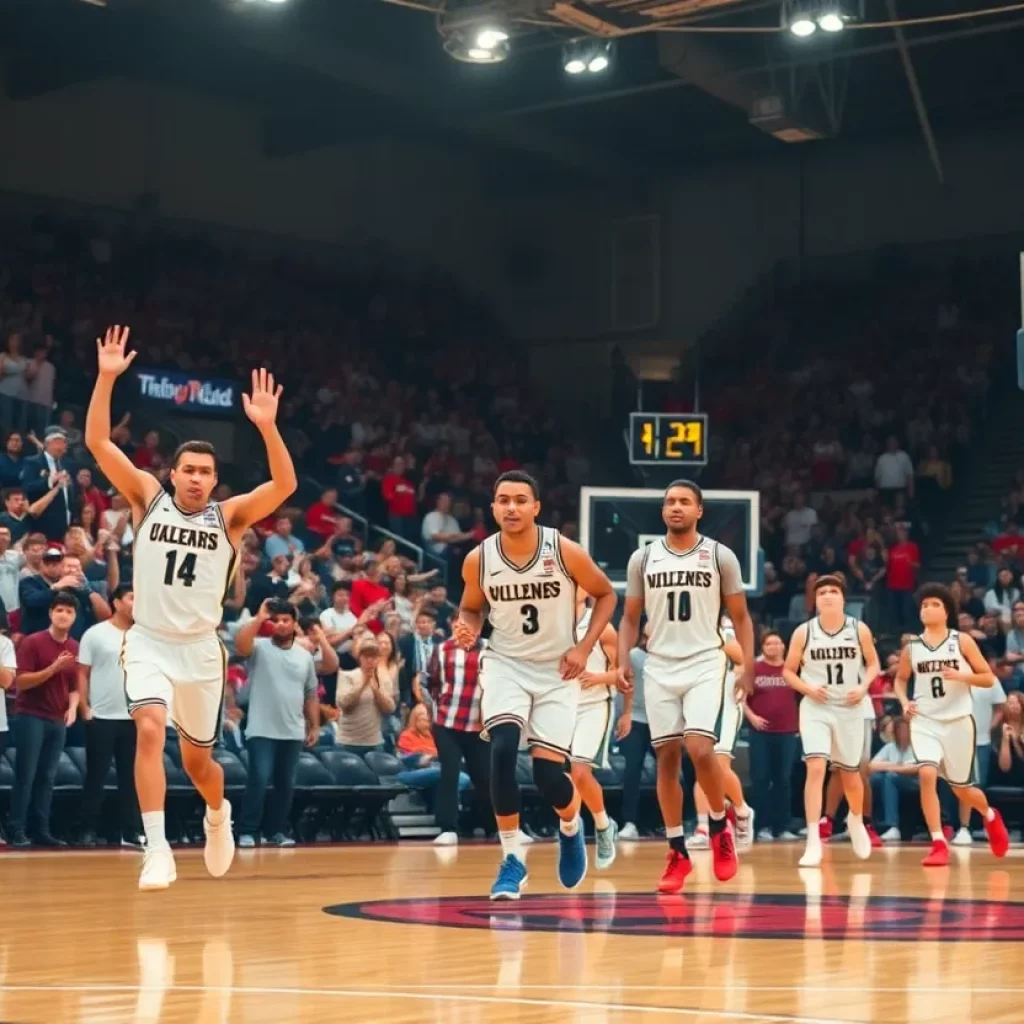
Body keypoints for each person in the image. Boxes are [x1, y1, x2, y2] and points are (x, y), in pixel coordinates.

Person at [85, 326, 298, 890]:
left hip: (202, 650)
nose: (197, 479)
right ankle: (156, 849)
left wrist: (268, 427)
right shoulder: (146, 499)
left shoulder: (228, 517)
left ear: (214, 479)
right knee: (149, 731)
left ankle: (217, 814)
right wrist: (107, 379)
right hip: (149, 640)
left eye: (206, 472)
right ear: (173, 473)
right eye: (189, 470)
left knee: (201, 764)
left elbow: (284, 482)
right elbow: (100, 445)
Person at [453, 470, 617, 900]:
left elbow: (606, 594)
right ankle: (512, 858)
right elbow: (471, 608)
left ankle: (570, 825)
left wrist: (583, 646)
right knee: (503, 751)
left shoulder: (563, 550)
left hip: (556, 671)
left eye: (521, 500)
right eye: (503, 500)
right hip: (505, 663)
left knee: (549, 777)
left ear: (536, 507)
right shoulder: (479, 559)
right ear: (492, 507)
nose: (511, 507)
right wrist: (465, 626)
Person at [617, 479, 755, 894]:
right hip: (659, 664)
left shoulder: (720, 556)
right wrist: (623, 658)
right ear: (663, 511)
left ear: (699, 510)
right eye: (669, 502)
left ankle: (719, 826)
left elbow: (742, 617)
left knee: (701, 749)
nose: (675, 507)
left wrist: (746, 665)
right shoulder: (642, 559)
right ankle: (676, 849)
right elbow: (629, 618)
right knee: (667, 759)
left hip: (704, 661)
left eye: (684, 502)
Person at [894, 583, 1009, 867]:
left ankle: (990, 815)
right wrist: (903, 701)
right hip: (925, 720)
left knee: (961, 788)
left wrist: (961, 676)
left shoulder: (962, 641)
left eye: (933, 604)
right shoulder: (913, 648)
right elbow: (900, 680)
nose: (927, 609)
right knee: (927, 774)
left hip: (958, 721)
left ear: (946, 611)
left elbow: (988, 678)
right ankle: (938, 842)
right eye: (923, 605)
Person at [784, 574, 880, 867]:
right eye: (822, 591)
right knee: (816, 768)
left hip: (849, 706)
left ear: (843, 598)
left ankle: (855, 819)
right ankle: (813, 839)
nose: (827, 595)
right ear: (815, 600)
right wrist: (808, 688)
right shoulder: (804, 632)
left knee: (850, 773)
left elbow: (874, 663)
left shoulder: (859, 628)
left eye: (833, 591)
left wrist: (863, 687)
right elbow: (788, 671)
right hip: (815, 706)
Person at [234, 599, 320, 848]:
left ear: (294, 624)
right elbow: (240, 645)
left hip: (292, 730)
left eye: (286, 620)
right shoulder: (259, 647)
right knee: (259, 779)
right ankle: (247, 831)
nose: (281, 624)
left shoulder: (304, 656)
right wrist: (259, 618)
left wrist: (313, 725)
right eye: (277, 620)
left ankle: (276, 831)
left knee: (285, 784)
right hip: (261, 728)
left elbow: (311, 693)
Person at [7, 591, 79, 847]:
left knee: (47, 777)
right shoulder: (33, 642)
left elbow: (74, 686)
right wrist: (52, 669)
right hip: (31, 715)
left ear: (74, 617)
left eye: (69, 612)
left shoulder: (73, 646)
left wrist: (73, 708)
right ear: (50, 613)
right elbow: (21, 682)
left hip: (57, 719)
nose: (63, 615)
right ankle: (16, 828)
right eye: (59, 610)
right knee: (26, 774)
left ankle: (42, 830)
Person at [77, 585, 143, 848]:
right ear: (116, 602)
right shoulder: (95, 634)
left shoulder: (145, 636)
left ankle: (131, 831)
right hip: (102, 716)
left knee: (132, 777)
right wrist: (84, 706)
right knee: (96, 775)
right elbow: (82, 673)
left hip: (135, 717)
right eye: (132, 598)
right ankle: (87, 829)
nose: (137, 603)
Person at [568, 591, 623, 870]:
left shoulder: (602, 627)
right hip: (560, 706)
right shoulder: (549, 624)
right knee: (562, 778)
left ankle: (603, 825)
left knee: (579, 771)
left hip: (594, 705)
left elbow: (623, 675)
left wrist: (599, 677)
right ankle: (573, 834)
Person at [691, 615, 754, 850]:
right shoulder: (682, 619)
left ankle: (741, 810)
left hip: (726, 694)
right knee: (701, 763)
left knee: (720, 764)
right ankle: (703, 827)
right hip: (698, 694)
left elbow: (737, 653)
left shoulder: (720, 621)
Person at [427, 631, 492, 845]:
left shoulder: (491, 649)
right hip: (447, 722)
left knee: (484, 777)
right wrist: (438, 705)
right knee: (450, 772)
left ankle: (492, 826)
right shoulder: (442, 649)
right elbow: (431, 681)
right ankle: (448, 828)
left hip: (478, 724)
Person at [746, 631, 800, 842]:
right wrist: (752, 718)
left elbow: (802, 696)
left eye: (778, 643)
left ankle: (782, 826)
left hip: (786, 731)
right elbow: (741, 697)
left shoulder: (792, 669)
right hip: (760, 732)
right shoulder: (755, 669)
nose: (774, 647)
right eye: (769, 644)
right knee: (760, 779)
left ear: (784, 647)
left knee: (783, 780)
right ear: (763, 647)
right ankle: (762, 827)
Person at [952, 667, 1006, 846]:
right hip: (956, 738)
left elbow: (1000, 706)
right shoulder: (954, 676)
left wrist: (990, 727)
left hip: (981, 740)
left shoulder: (990, 679)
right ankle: (963, 827)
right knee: (962, 785)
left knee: (975, 785)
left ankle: (977, 824)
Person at [617, 629, 653, 841]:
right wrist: (624, 715)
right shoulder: (633, 656)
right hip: (636, 719)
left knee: (675, 769)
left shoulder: (671, 657)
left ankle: (683, 820)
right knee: (632, 770)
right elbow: (624, 686)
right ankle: (630, 823)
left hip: (663, 721)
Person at [334, 637, 398, 754]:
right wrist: (363, 684)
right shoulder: (346, 676)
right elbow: (344, 705)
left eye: (373, 657)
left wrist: (376, 691)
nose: (370, 660)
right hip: (347, 742)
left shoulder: (384, 679)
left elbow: (390, 709)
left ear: (378, 658)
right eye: (366, 656)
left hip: (374, 743)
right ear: (360, 658)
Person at [20, 426, 77, 543]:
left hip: (65, 522)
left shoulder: (66, 464)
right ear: (47, 443)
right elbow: (27, 486)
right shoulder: (33, 462)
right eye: (58, 442)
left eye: (64, 442)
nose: (62, 446)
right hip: (43, 523)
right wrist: (50, 481)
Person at [868, 717, 919, 840]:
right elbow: (871, 766)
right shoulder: (890, 747)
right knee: (875, 779)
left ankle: (893, 826)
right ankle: (870, 823)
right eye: (899, 729)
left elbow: (916, 768)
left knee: (889, 777)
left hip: (915, 782)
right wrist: (897, 766)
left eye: (905, 729)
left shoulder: (917, 746)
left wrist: (891, 768)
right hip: (894, 779)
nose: (902, 732)